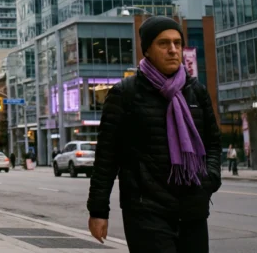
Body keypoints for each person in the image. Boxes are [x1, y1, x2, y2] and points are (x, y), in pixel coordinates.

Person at [87, 16, 222, 253]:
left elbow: (213, 144)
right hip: (145, 211)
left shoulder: (196, 92)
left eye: (177, 43)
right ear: (147, 49)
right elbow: (106, 158)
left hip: (192, 208)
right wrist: (98, 211)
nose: (172, 50)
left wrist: (209, 180)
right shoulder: (125, 94)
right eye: (163, 43)